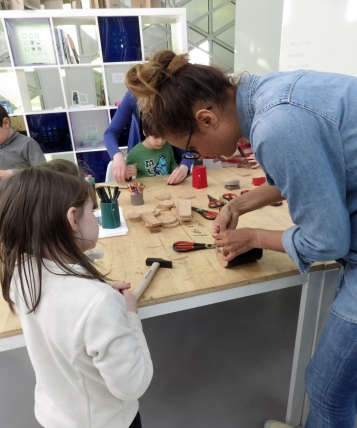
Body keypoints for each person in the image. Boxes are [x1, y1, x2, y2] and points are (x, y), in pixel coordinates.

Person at [125, 50, 357, 428]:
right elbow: (314, 167)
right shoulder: (269, 92)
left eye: (190, 148)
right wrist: (240, 204)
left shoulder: (275, 126)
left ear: (206, 118)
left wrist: (255, 238)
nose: (195, 156)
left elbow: (328, 241)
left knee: (327, 388)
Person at [0, 167, 153, 428]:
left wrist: (98, 291)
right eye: (92, 211)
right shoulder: (96, 303)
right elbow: (133, 384)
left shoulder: (23, 271)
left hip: (57, 416)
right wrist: (129, 315)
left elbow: (67, 306)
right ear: (72, 219)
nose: (97, 218)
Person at [103, 89, 191, 184]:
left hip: (177, 160)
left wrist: (185, 165)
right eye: (156, 136)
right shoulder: (133, 96)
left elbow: (193, 135)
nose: (160, 141)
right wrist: (117, 156)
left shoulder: (178, 93)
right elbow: (110, 133)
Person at [0, 105, 46, 180]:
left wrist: (15, 174)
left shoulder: (27, 144)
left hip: (24, 191)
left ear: (6, 123)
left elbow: (44, 175)